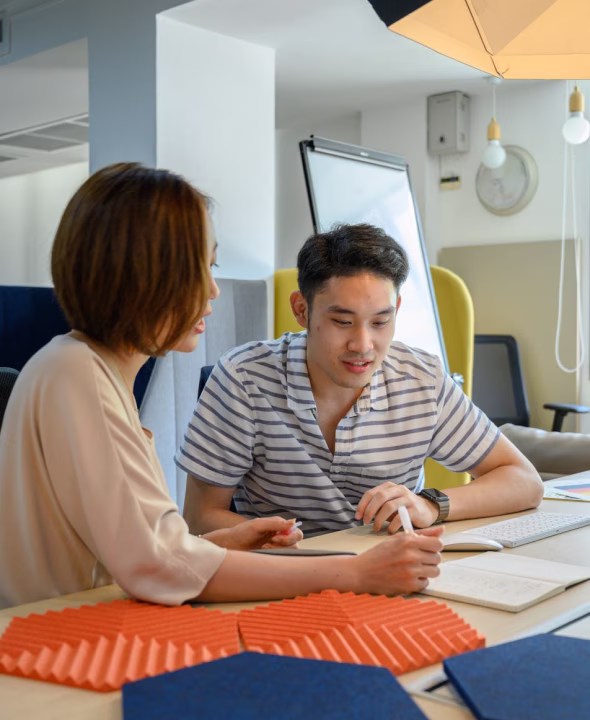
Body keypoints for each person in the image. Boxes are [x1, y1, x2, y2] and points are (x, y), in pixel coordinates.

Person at [0, 164, 444, 610]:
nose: (212, 290)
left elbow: (144, 545)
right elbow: (159, 564)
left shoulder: (77, 367)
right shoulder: (78, 376)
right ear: (141, 274)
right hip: (54, 637)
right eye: (201, 269)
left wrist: (222, 544)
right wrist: (356, 573)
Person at [178, 223, 543, 539]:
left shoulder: (421, 379)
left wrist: (430, 506)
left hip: (391, 576)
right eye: (342, 321)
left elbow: (523, 481)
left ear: (396, 311)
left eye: (380, 322)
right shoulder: (243, 378)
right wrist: (269, 542)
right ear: (301, 310)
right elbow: (199, 518)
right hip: (282, 576)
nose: (363, 345)